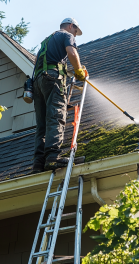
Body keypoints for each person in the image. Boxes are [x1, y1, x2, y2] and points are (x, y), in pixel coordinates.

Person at [32, 18, 87, 173]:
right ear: (71, 26)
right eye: (75, 31)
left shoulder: (46, 41)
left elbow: (38, 62)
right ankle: (52, 157)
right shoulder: (66, 35)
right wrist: (79, 71)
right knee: (56, 115)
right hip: (52, 79)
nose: (75, 35)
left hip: (37, 82)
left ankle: (38, 163)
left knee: (42, 124)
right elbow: (72, 52)